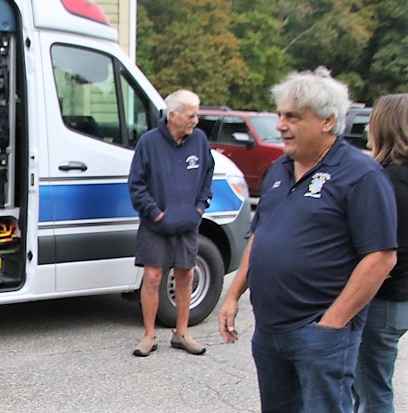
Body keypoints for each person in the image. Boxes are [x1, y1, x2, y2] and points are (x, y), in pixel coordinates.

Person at [218, 68, 397, 413]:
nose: (281, 125)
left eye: (293, 117)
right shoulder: (279, 169)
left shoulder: (360, 175)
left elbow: (380, 258)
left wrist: (331, 324)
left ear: (328, 122)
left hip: (320, 333)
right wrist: (233, 294)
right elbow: (261, 235)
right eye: (280, 115)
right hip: (269, 331)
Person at [128, 89, 213, 357]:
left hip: (187, 224)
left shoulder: (199, 141)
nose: (196, 120)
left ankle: (182, 333)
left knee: (186, 275)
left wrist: (199, 207)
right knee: (152, 278)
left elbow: (208, 175)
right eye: (191, 115)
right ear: (172, 115)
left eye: (197, 115)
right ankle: (149, 336)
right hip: (156, 225)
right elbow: (136, 184)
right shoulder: (149, 142)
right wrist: (155, 214)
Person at [353, 93, 408, 413]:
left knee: (372, 391)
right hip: (400, 298)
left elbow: (379, 254)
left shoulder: (384, 182)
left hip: (382, 299)